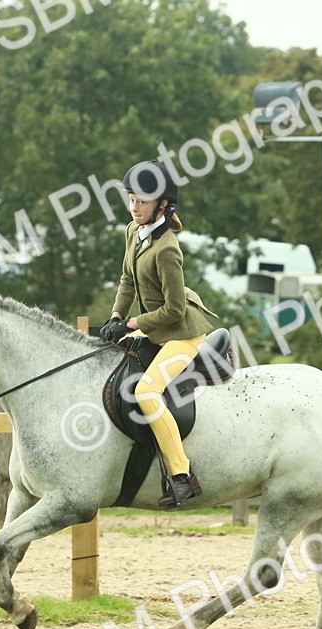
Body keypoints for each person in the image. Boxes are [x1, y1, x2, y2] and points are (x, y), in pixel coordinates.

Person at [99, 160, 218, 509]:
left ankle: (182, 476)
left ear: (162, 205)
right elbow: (125, 279)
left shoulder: (167, 249)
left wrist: (133, 324)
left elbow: (175, 310)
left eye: (142, 202)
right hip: (156, 330)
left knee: (146, 392)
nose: (134, 207)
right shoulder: (132, 232)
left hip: (182, 335)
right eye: (131, 200)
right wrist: (116, 316)